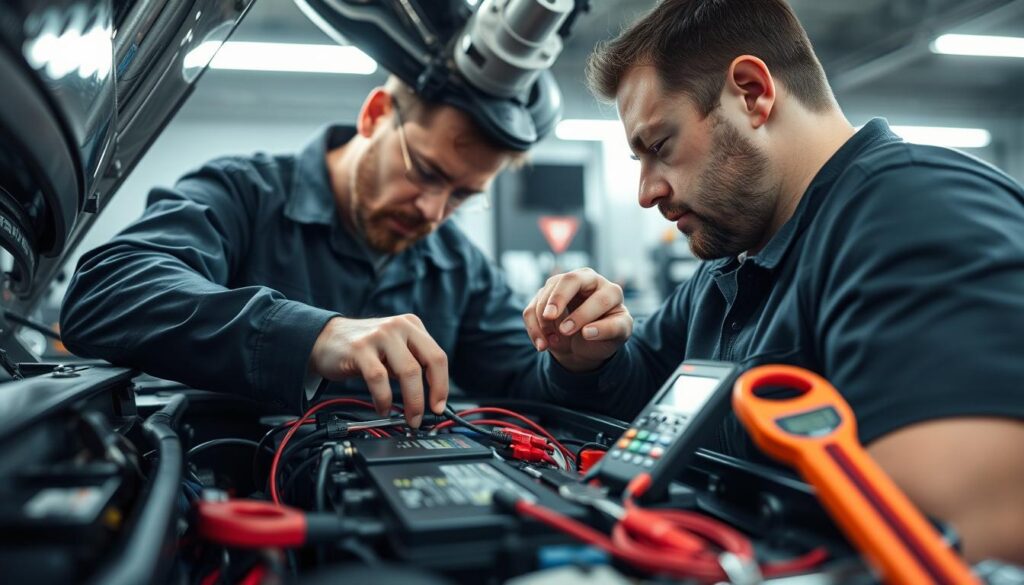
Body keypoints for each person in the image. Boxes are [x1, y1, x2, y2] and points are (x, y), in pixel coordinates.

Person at [522, 0, 1024, 562]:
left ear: (752, 93)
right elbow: (644, 406)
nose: (646, 192)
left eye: (659, 147)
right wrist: (587, 357)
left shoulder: (919, 216)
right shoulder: (729, 268)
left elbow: (970, 549)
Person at [59, 76, 605, 429]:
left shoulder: (457, 265)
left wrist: (573, 357)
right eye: (427, 172)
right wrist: (313, 335)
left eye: (463, 195)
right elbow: (106, 290)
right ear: (374, 115)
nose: (434, 211)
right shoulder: (243, 194)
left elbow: (523, 383)